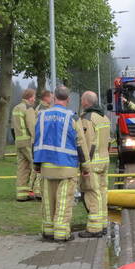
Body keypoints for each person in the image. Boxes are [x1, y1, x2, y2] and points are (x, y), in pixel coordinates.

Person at [33, 85, 91, 242]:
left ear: (53, 98)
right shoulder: (72, 117)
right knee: (64, 202)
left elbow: (36, 140)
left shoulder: (42, 115)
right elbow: (81, 144)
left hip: (46, 166)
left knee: (48, 201)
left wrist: (36, 165)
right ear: (69, 99)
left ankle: (48, 230)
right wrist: (86, 166)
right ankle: (61, 233)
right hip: (67, 167)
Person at [78, 90, 110, 237]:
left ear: (86, 102)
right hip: (104, 160)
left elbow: (87, 143)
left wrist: (85, 164)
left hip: (93, 162)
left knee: (92, 193)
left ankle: (94, 228)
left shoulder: (87, 118)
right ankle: (103, 224)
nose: (80, 102)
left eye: (81, 100)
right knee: (102, 192)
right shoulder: (104, 117)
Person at [11, 89, 37, 201]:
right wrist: (37, 140)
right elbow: (32, 126)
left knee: (22, 168)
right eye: (34, 97)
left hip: (18, 142)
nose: (35, 99)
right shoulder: (28, 108)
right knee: (37, 165)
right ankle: (38, 192)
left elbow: (13, 127)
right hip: (28, 142)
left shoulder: (16, 108)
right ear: (30, 97)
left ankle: (21, 195)